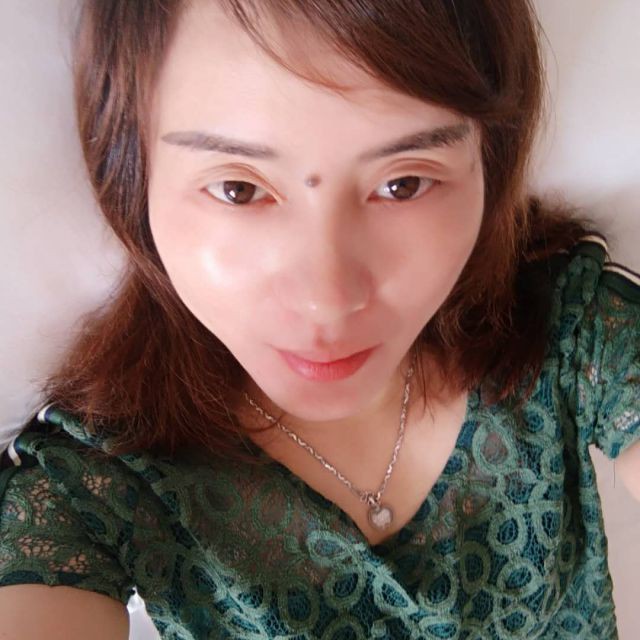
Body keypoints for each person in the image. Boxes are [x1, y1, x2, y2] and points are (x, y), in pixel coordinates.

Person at [0, 0, 639, 638]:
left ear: (489, 167)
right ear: (133, 180)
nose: (327, 301)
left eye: (404, 183)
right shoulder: (96, 478)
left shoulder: (568, 326)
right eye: (239, 189)